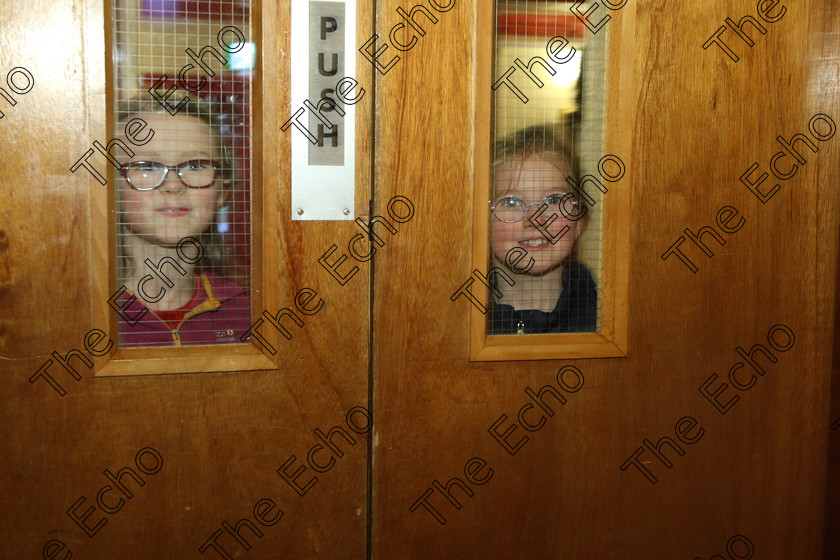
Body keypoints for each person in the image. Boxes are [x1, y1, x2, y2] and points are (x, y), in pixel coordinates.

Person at [111, 97, 251, 347]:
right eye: (146, 166)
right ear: (109, 189)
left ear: (222, 191)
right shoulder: (84, 316)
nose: (174, 185)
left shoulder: (245, 312)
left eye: (196, 165)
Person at [488, 123, 597, 334]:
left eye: (554, 200)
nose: (536, 219)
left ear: (579, 221)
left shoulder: (604, 310)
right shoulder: (459, 313)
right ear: (481, 223)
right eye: (511, 202)